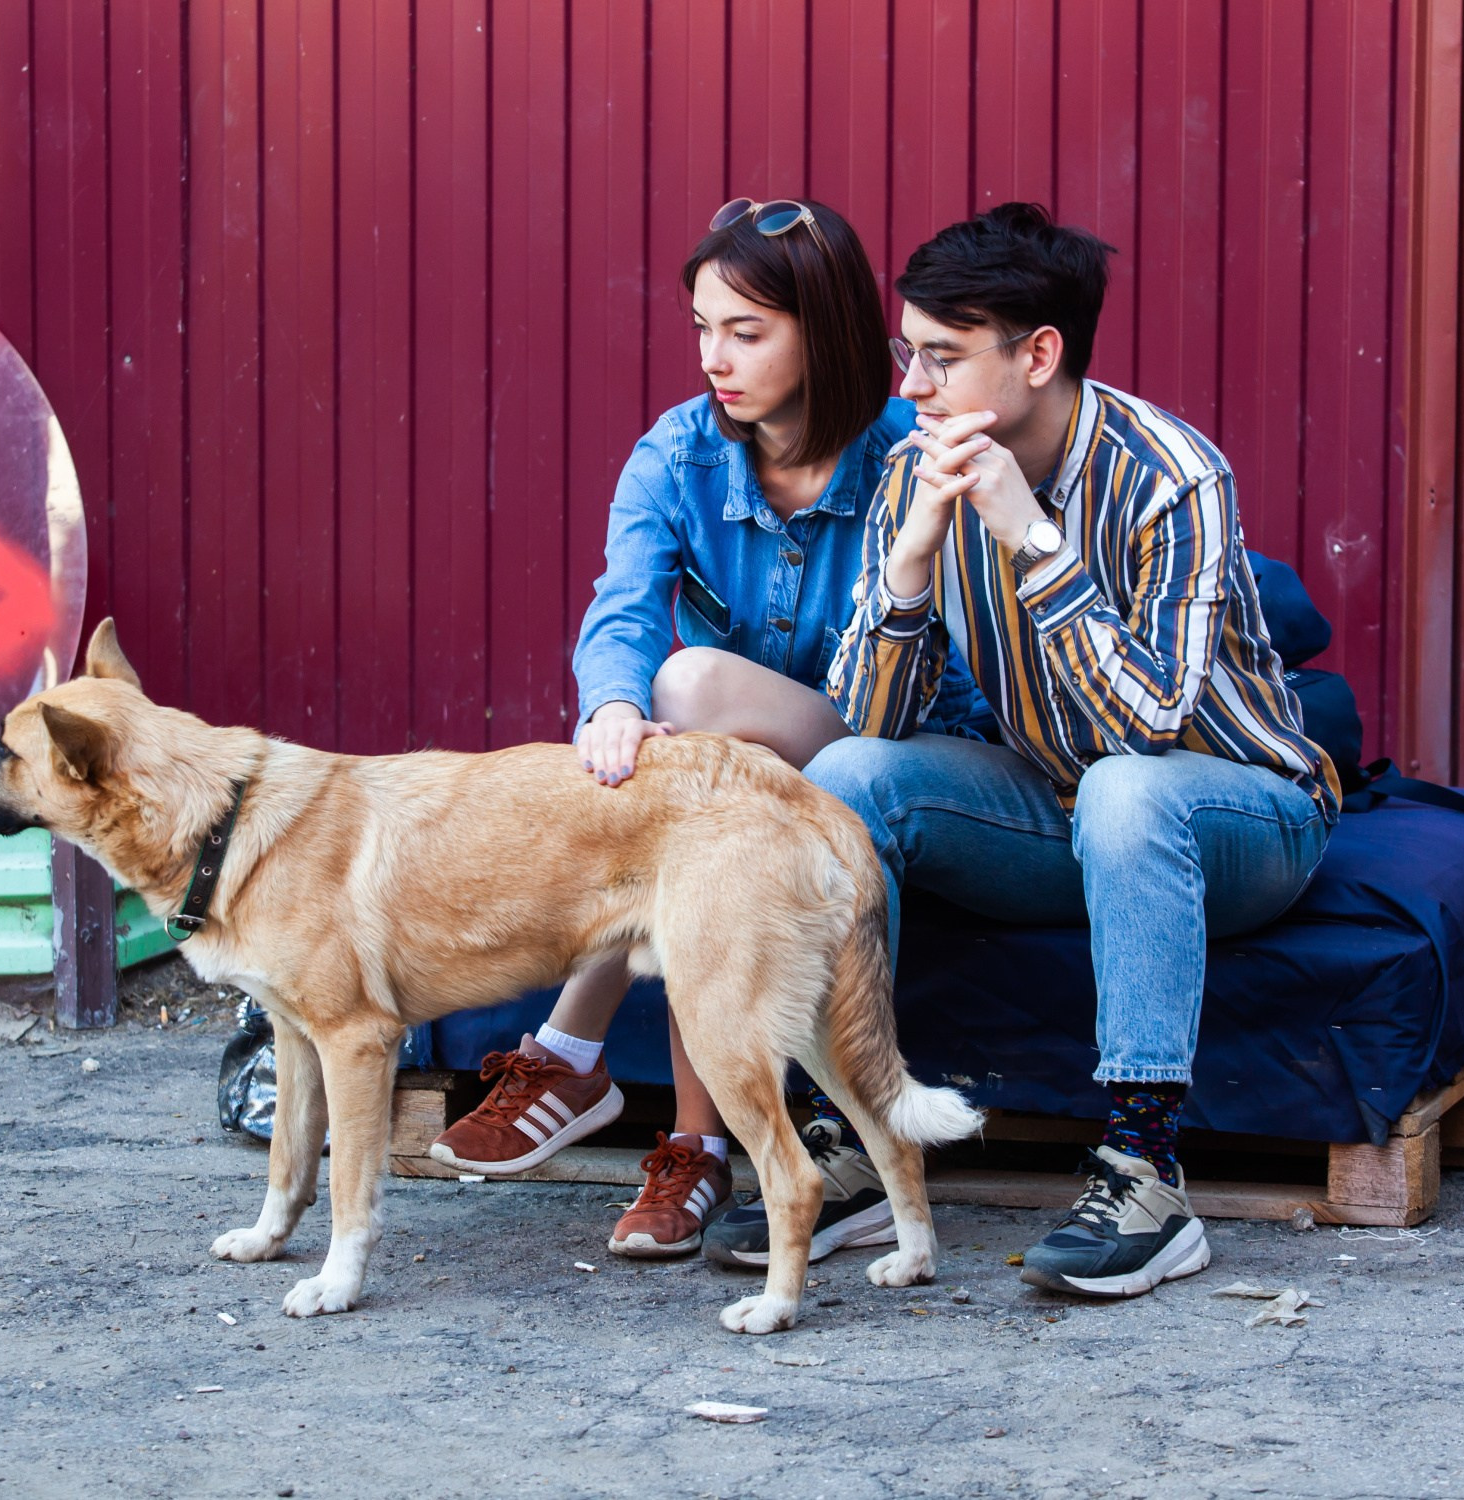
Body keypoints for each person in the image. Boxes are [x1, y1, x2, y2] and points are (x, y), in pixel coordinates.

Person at [785, 202, 1337, 1298]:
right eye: (911, 354)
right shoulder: (918, 466)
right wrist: (906, 567)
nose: (911, 388)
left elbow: (1144, 729)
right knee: (843, 782)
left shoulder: (1174, 476)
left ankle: (1145, 1170)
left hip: (1243, 818)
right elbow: (872, 724)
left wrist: (1028, 536)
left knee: (1130, 791)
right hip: (1055, 804)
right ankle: (849, 1141)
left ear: (1038, 356)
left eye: (941, 358)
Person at [427, 197, 990, 1261]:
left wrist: (650, 703)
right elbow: (622, 605)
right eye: (700, 328)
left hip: (894, 744)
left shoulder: (906, 456)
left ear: (818, 331)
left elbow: (915, 679)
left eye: (745, 331)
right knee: (685, 780)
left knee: (685, 691)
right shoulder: (679, 453)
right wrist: (609, 706)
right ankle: (693, 1152)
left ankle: (570, 1048)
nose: (713, 360)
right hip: (748, 780)